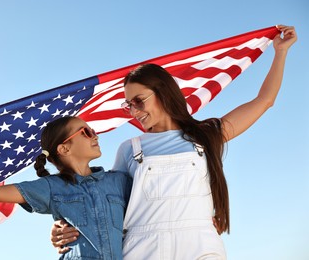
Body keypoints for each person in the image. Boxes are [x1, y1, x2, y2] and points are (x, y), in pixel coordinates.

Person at [50, 25, 297, 259]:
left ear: (163, 92)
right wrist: (66, 224)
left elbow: (264, 100)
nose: (134, 111)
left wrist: (281, 52)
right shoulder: (130, 149)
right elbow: (104, 202)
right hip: (142, 248)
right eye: (128, 105)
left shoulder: (206, 135)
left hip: (200, 245)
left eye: (138, 101)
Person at [0, 116, 132, 260]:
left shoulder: (119, 181)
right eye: (86, 132)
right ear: (64, 148)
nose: (95, 135)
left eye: (93, 131)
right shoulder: (51, 187)